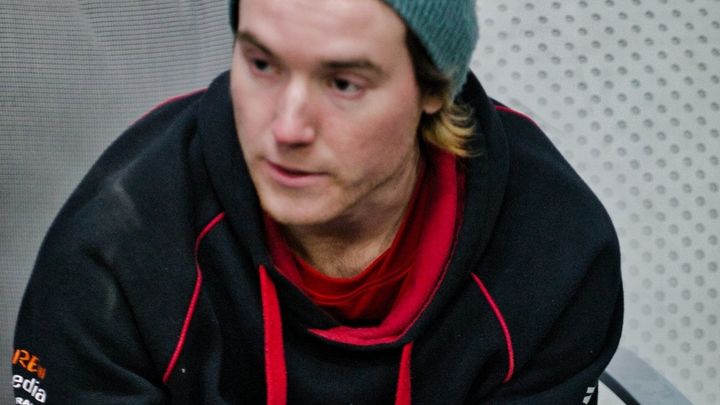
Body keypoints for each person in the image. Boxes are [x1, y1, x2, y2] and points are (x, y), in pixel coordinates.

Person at [12, 0, 623, 403]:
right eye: (262, 64)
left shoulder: (553, 252)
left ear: (435, 86)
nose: (286, 128)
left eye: (343, 83)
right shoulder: (118, 251)